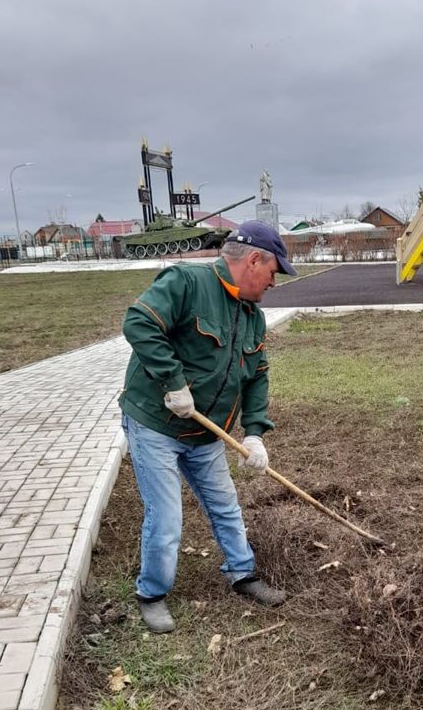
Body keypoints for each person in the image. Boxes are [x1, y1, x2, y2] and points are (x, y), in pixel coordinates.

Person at [119, 220, 296, 633]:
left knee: (225, 506)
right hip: (156, 424)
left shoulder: (252, 317)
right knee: (166, 517)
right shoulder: (186, 282)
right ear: (254, 259)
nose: (274, 282)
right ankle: (152, 593)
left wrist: (254, 432)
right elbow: (139, 324)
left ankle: (243, 574)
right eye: (274, 272)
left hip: (206, 432)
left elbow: (257, 376)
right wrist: (173, 381)